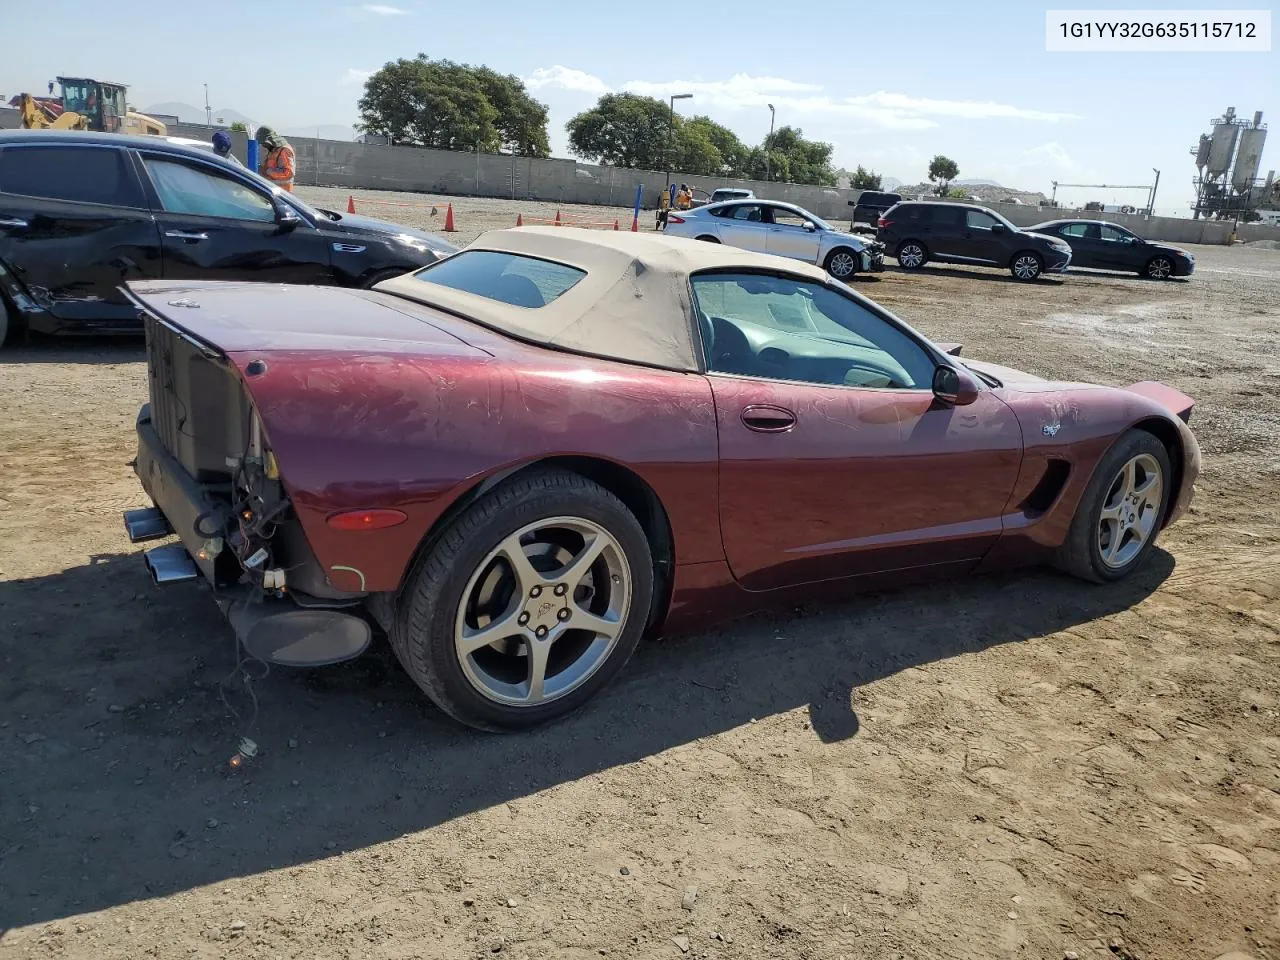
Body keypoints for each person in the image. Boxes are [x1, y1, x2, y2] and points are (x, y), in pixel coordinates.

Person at [255, 125, 295, 192]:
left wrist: (267, 171)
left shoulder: (284, 151)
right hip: (274, 190)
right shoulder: (273, 149)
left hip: (282, 192)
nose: (263, 145)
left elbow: (287, 173)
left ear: (269, 140)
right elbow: (270, 166)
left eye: (263, 143)